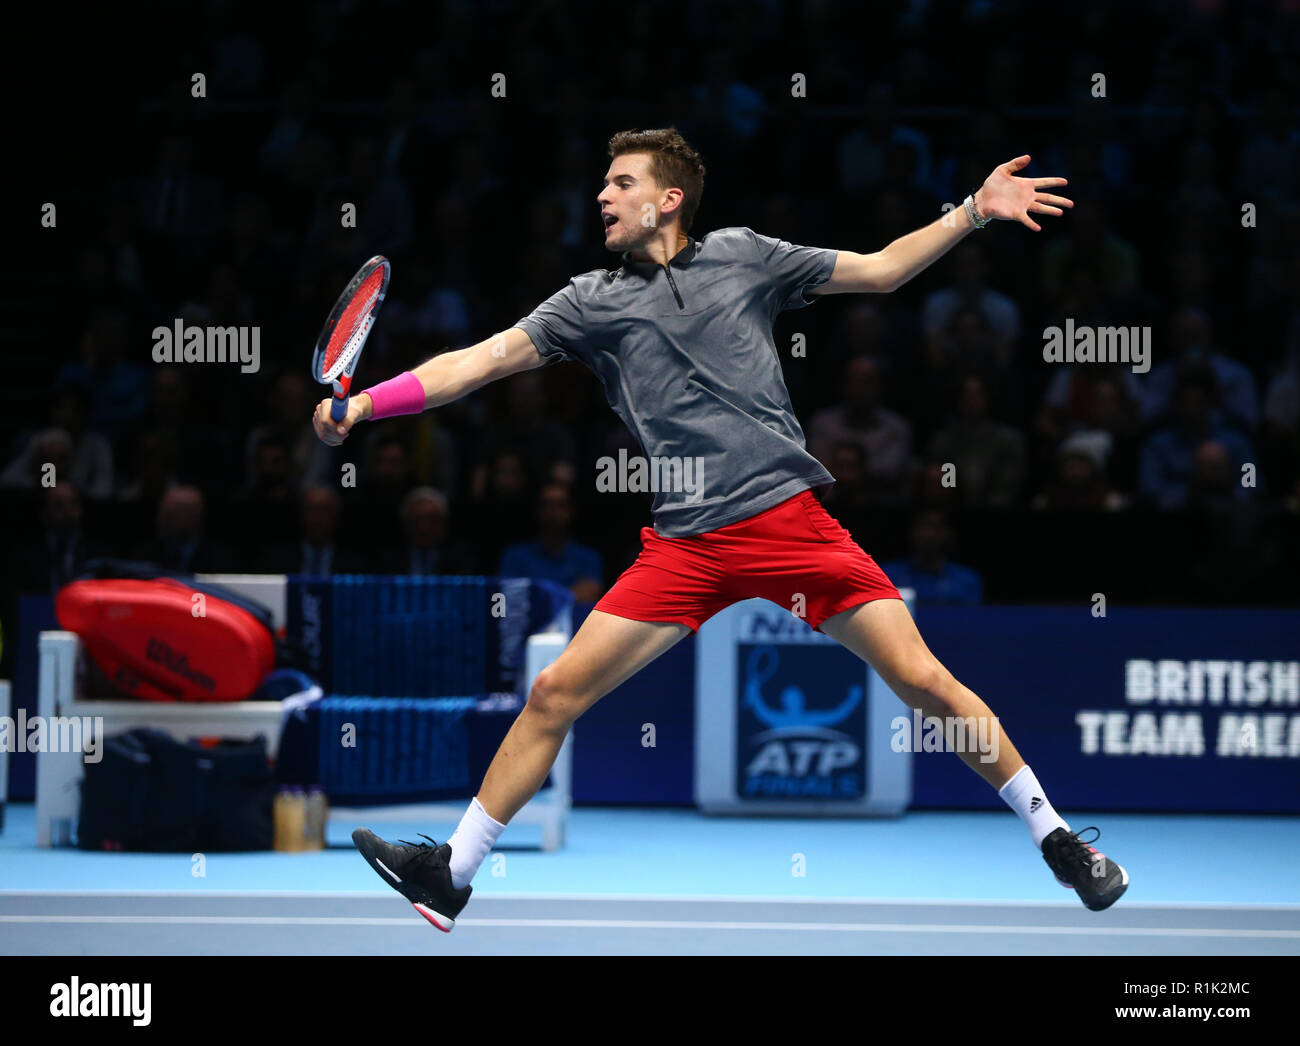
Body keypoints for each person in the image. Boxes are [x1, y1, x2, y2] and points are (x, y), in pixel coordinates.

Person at [314, 127, 1126, 932]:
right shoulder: (587, 303)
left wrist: (972, 213)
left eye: (621, 183)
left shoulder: (745, 255)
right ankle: (452, 873)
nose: (602, 195)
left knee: (924, 680)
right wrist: (364, 405)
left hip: (788, 523)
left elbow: (880, 272)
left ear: (669, 200)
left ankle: (1057, 840)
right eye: (602, 184)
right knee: (555, 692)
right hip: (685, 545)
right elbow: (481, 361)